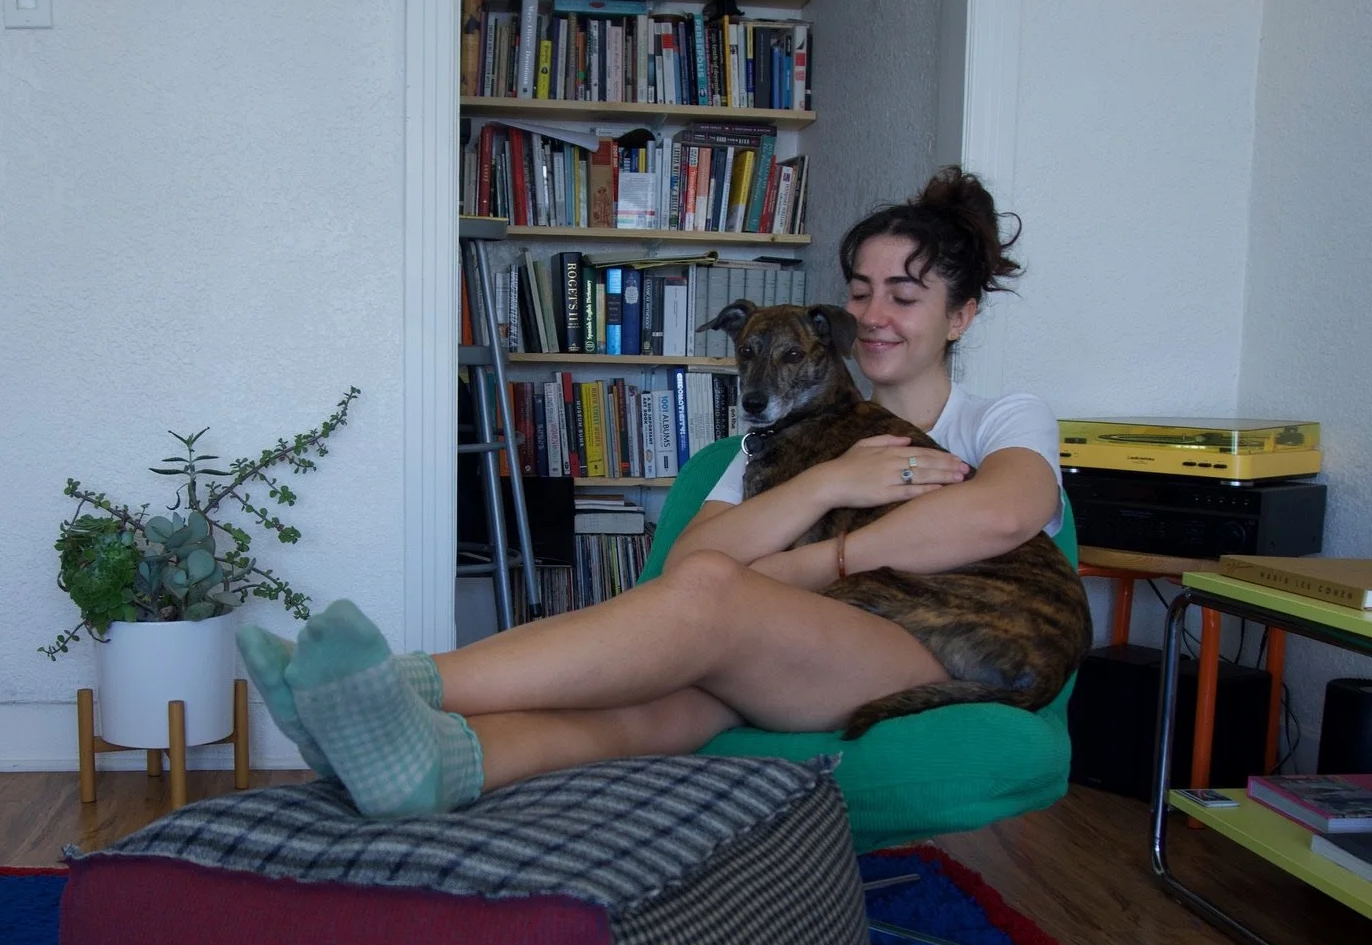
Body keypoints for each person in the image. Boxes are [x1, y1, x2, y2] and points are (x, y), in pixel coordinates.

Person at [239, 167, 1068, 818]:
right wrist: (829, 482)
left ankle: (398, 684)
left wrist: (816, 561)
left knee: (714, 596)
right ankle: (436, 764)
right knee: (669, 698)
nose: (875, 313)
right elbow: (688, 562)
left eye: (905, 296)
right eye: (861, 290)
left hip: (952, 647)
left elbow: (1004, 512)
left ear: (960, 316)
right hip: (819, 642)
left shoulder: (997, 418)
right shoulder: (783, 439)